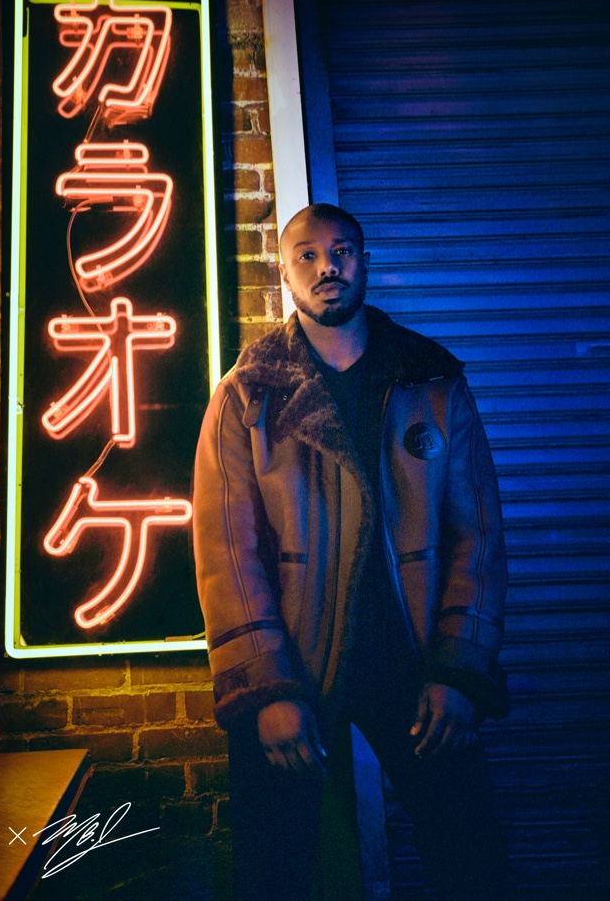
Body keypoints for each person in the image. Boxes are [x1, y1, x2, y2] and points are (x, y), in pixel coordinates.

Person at [192, 203, 512, 900]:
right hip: (295, 663)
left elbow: (478, 536)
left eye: (341, 250)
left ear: (364, 261)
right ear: (284, 272)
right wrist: (267, 689)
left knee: (473, 858)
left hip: (418, 658)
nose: (326, 265)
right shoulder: (249, 394)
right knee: (275, 869)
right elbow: (226, 556)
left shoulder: (431, 380)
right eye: (306, 254)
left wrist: (460, 671)